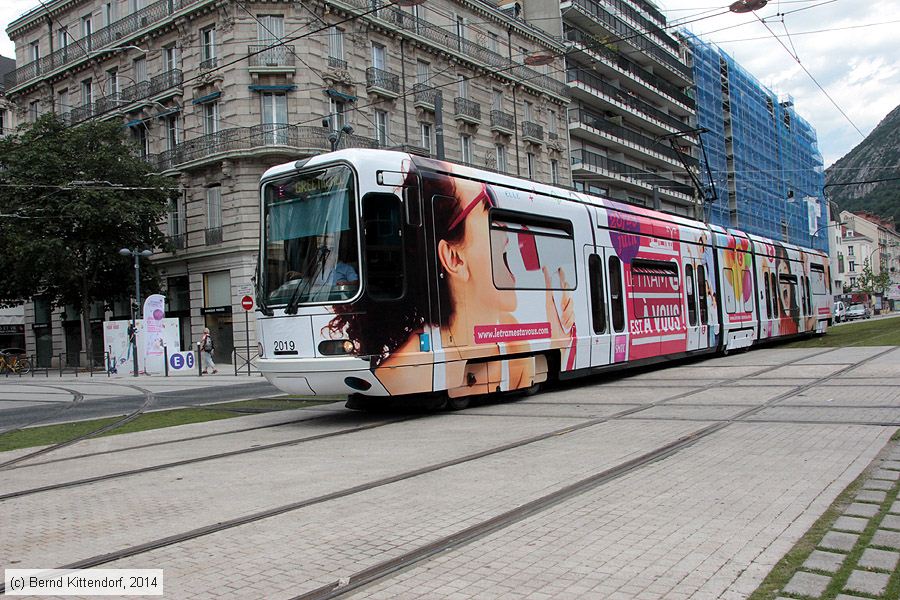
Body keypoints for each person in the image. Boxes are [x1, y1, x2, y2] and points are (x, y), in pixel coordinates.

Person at [327, 164, 574, 396]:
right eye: (487, 206)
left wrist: (557, 339)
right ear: (453, 257)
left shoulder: (512, 338)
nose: (504, 229)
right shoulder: (398, 372)